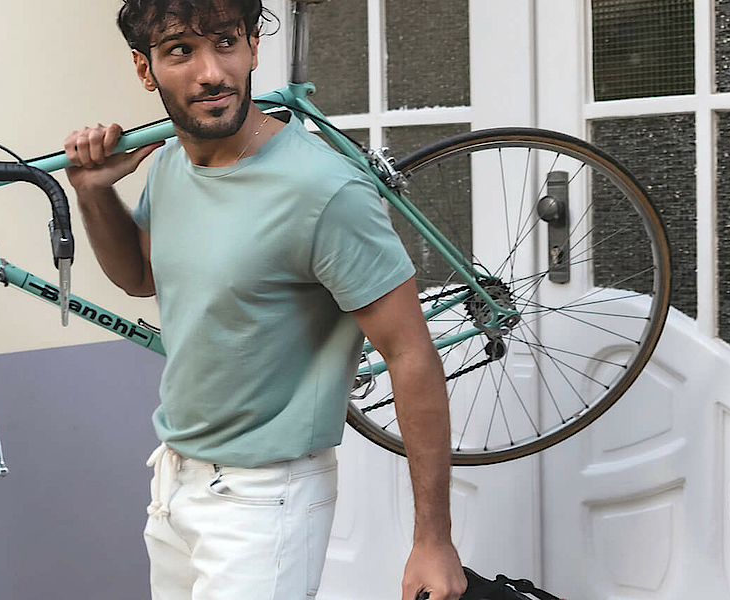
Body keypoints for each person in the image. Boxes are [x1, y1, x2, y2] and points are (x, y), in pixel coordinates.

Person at [61, 1, 467, 598]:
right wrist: (93, 193)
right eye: (181, 51)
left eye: (226, 43)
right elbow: (139, 276)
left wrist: (433, 539)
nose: (212, 73)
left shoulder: (323, 189)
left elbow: (411, 355)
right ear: (146, 70)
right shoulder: (170, 164)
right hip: (175, 481)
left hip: (266, 499)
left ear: (253, 47)